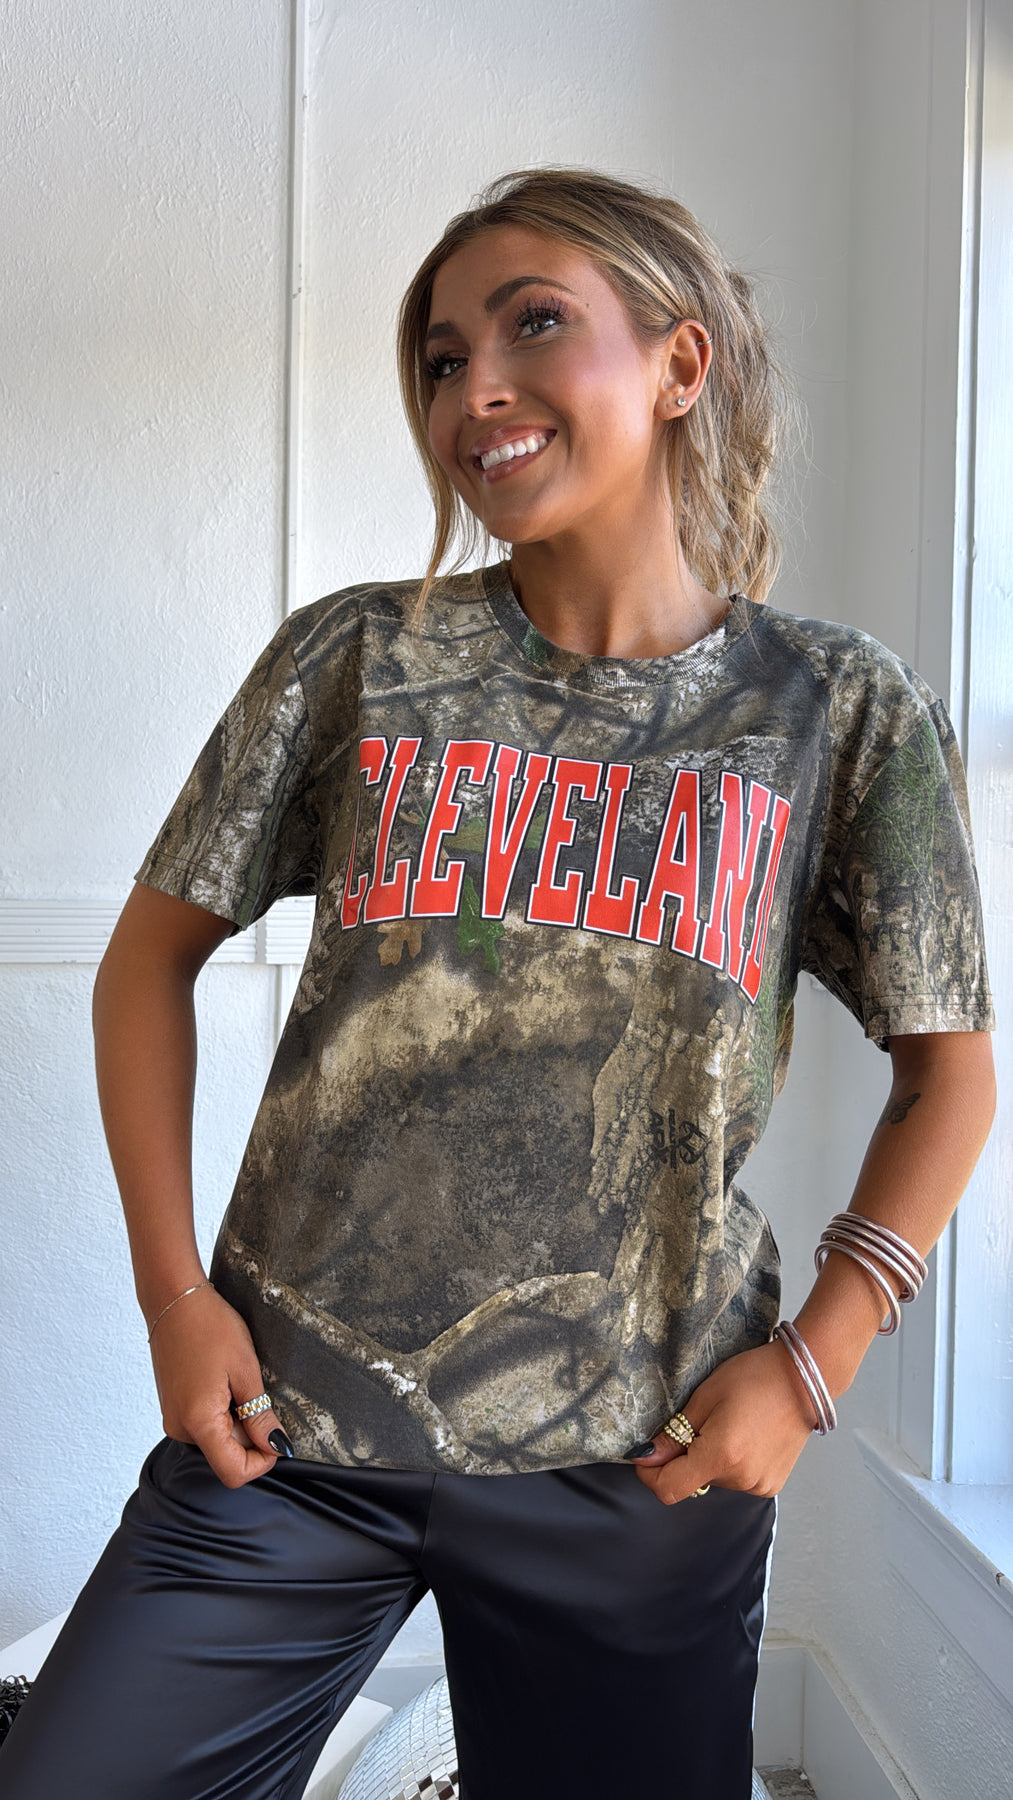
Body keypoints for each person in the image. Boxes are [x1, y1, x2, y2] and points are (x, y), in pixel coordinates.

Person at [4, 167, 995, 1800]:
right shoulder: (356, 658)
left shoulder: (832, 707)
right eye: (442, 357)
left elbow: (945, 1068)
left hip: (639, 1454)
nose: (477, 389)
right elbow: (147, 967)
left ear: (678, 364)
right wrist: (173, 1298)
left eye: (534, 325)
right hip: (288, 1437)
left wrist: (815, 1363)